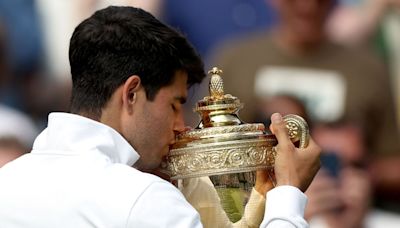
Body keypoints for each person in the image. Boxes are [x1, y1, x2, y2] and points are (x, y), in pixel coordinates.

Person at [0, 6, 321, 227]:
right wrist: (288, 192)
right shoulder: (143, 199)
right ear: (131, 94)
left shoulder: (6, 183)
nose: (181, 126)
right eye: (174, 104)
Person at [210, 0, 400, 209]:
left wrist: (358, 174)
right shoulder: (235, 61)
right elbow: (205, 154)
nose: (307, 6)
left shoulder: (369, 69)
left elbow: (392, 162)